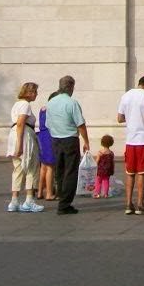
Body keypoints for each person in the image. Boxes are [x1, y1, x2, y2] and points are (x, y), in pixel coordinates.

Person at [45, 75, 90, 216]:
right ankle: (65, 204)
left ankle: (60, 196)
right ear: (70, 87)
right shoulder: (72, 103)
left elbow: (48, 124)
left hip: (55, 139)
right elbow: (80, 124)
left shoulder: (51, 102)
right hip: (70, 139)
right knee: (70, 171)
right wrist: (86, 141)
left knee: (59, 170)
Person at [117, 74, 144, 215]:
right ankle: (140, 204)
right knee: (142, 172)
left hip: (130, 140)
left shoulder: (126, 96)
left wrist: (131, 117)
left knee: (130, 172)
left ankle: (128, 204)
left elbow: (119, 118)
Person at [6, 82, 43, 213]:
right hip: (24, 136)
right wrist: (20, 145)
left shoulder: (17, 104)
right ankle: (29, 200)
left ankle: (14, 200)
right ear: (29, 92)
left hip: (15, 134)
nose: (36, 94)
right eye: (35, 92)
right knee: (31, 167)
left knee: (18, 169)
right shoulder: (25, 105)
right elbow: (21, 123)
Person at [36, 96, 56, 201]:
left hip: (41, 135)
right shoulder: (52, 110)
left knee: (43, 166)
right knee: (50, 167)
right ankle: (49, 193)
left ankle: (39, 192)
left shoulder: (42, 109)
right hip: (49, 136)